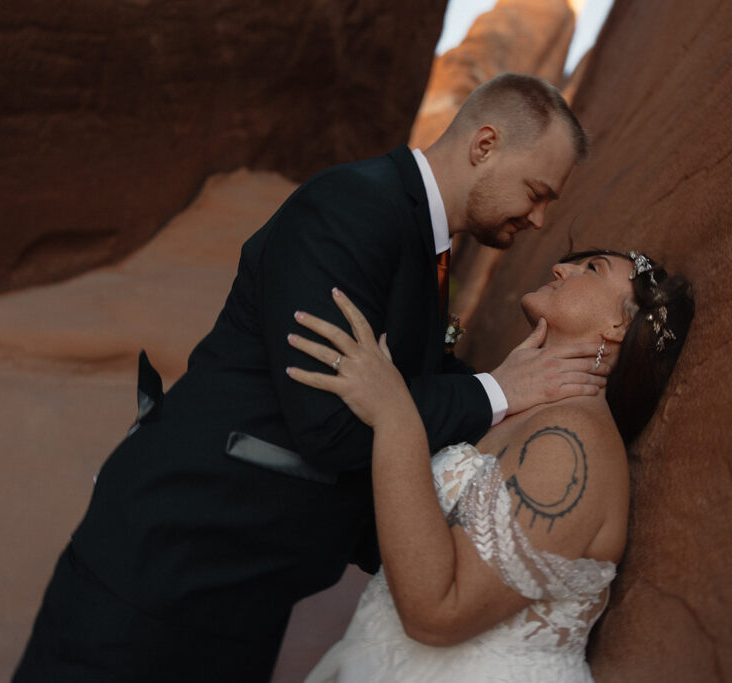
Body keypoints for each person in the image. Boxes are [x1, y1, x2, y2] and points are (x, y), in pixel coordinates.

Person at [14, 74, 610, 682]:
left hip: (245, 587)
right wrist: (499, 391)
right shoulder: (351, 207)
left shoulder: (419, 238)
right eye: (537, 192)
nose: (539, 219)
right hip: (167, 562)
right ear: (484, 145)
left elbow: (401, 379)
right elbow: (330, 421)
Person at [287, 249, 695, 682]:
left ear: (618, 326)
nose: (560, 268)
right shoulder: (524, 413)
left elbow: (440, 610)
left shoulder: (573, 439)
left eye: (592, 269)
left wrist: (394, 413)